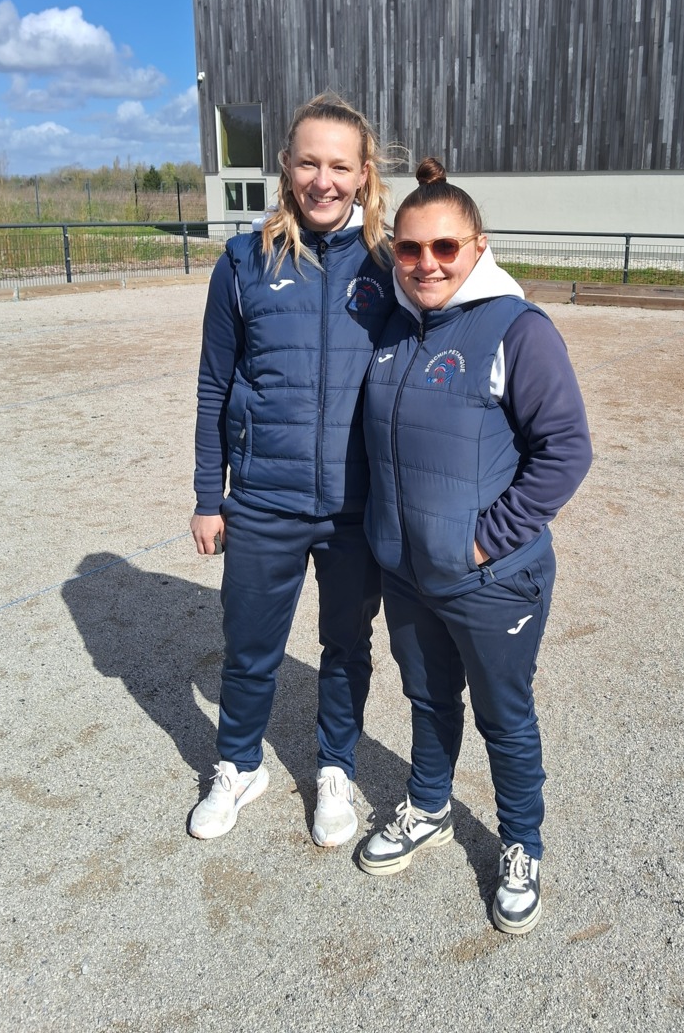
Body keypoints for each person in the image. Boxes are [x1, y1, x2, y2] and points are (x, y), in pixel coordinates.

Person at [358, 158, 592, 934]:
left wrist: (484, 543)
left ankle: (522, 843)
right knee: (427, 698)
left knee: (503, 715)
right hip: (407, 572)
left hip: (490, 580)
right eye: (410, 248)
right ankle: (429, 806)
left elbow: (566, 450)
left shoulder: (517, 329)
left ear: (478, 247)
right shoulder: (392, 327)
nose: (427, 263)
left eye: (445, 247)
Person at [189, 94, 396, 848]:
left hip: (355, 505)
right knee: (249, 646)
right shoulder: (243, 262)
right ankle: (239, 765)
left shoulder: (392, 265)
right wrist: (208, 495)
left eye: (340, 165)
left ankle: (335, 767)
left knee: (346, 647)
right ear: (286, 165)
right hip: (263, 499)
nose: (323, 180)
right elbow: (214, 385)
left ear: (364, 173)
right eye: (309, 162)